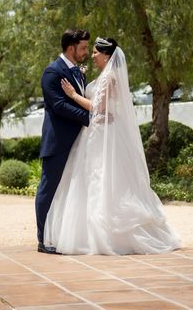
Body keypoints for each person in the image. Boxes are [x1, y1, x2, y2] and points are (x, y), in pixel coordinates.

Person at [44, 37, 181, 255]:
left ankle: (108, 235)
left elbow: (96, 108)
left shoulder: (109, 78)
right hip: (95, 134)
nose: (92, 55)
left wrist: (73, 95)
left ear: (107, 55)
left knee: (101, 179)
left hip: (100, 135)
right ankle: (89, 232)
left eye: (96, 52)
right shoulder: (104, 76)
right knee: (90, 181)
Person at [35, 29, 91, 254]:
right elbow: (58, 106)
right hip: (58, 142)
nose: (87, 52)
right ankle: (42, 240)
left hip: (79, 143)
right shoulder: (52, 72)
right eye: (84, 48)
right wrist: (90, 118)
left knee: (69, 191)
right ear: (71, 48)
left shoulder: (78, 73)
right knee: (48, 189)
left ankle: (62, 235)